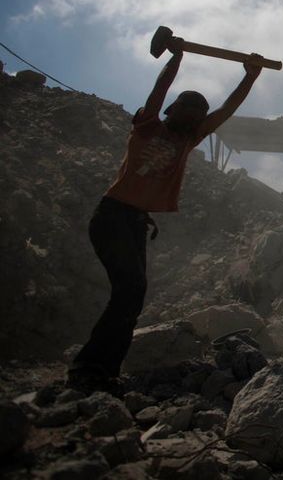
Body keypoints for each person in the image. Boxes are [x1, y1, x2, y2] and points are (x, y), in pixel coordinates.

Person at [68, 38, 263, 392]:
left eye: (198, 112)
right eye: (188, 108)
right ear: (173, 111)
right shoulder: (148, 127)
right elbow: (158, 93)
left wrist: (250, 77)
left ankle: (103, 371)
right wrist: (175, 58)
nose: (194, 114)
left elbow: (226, 111)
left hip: (135, 223)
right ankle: (89, 369)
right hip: (112, 216)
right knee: (130, 289)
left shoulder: (188, 141)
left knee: (131, 294)